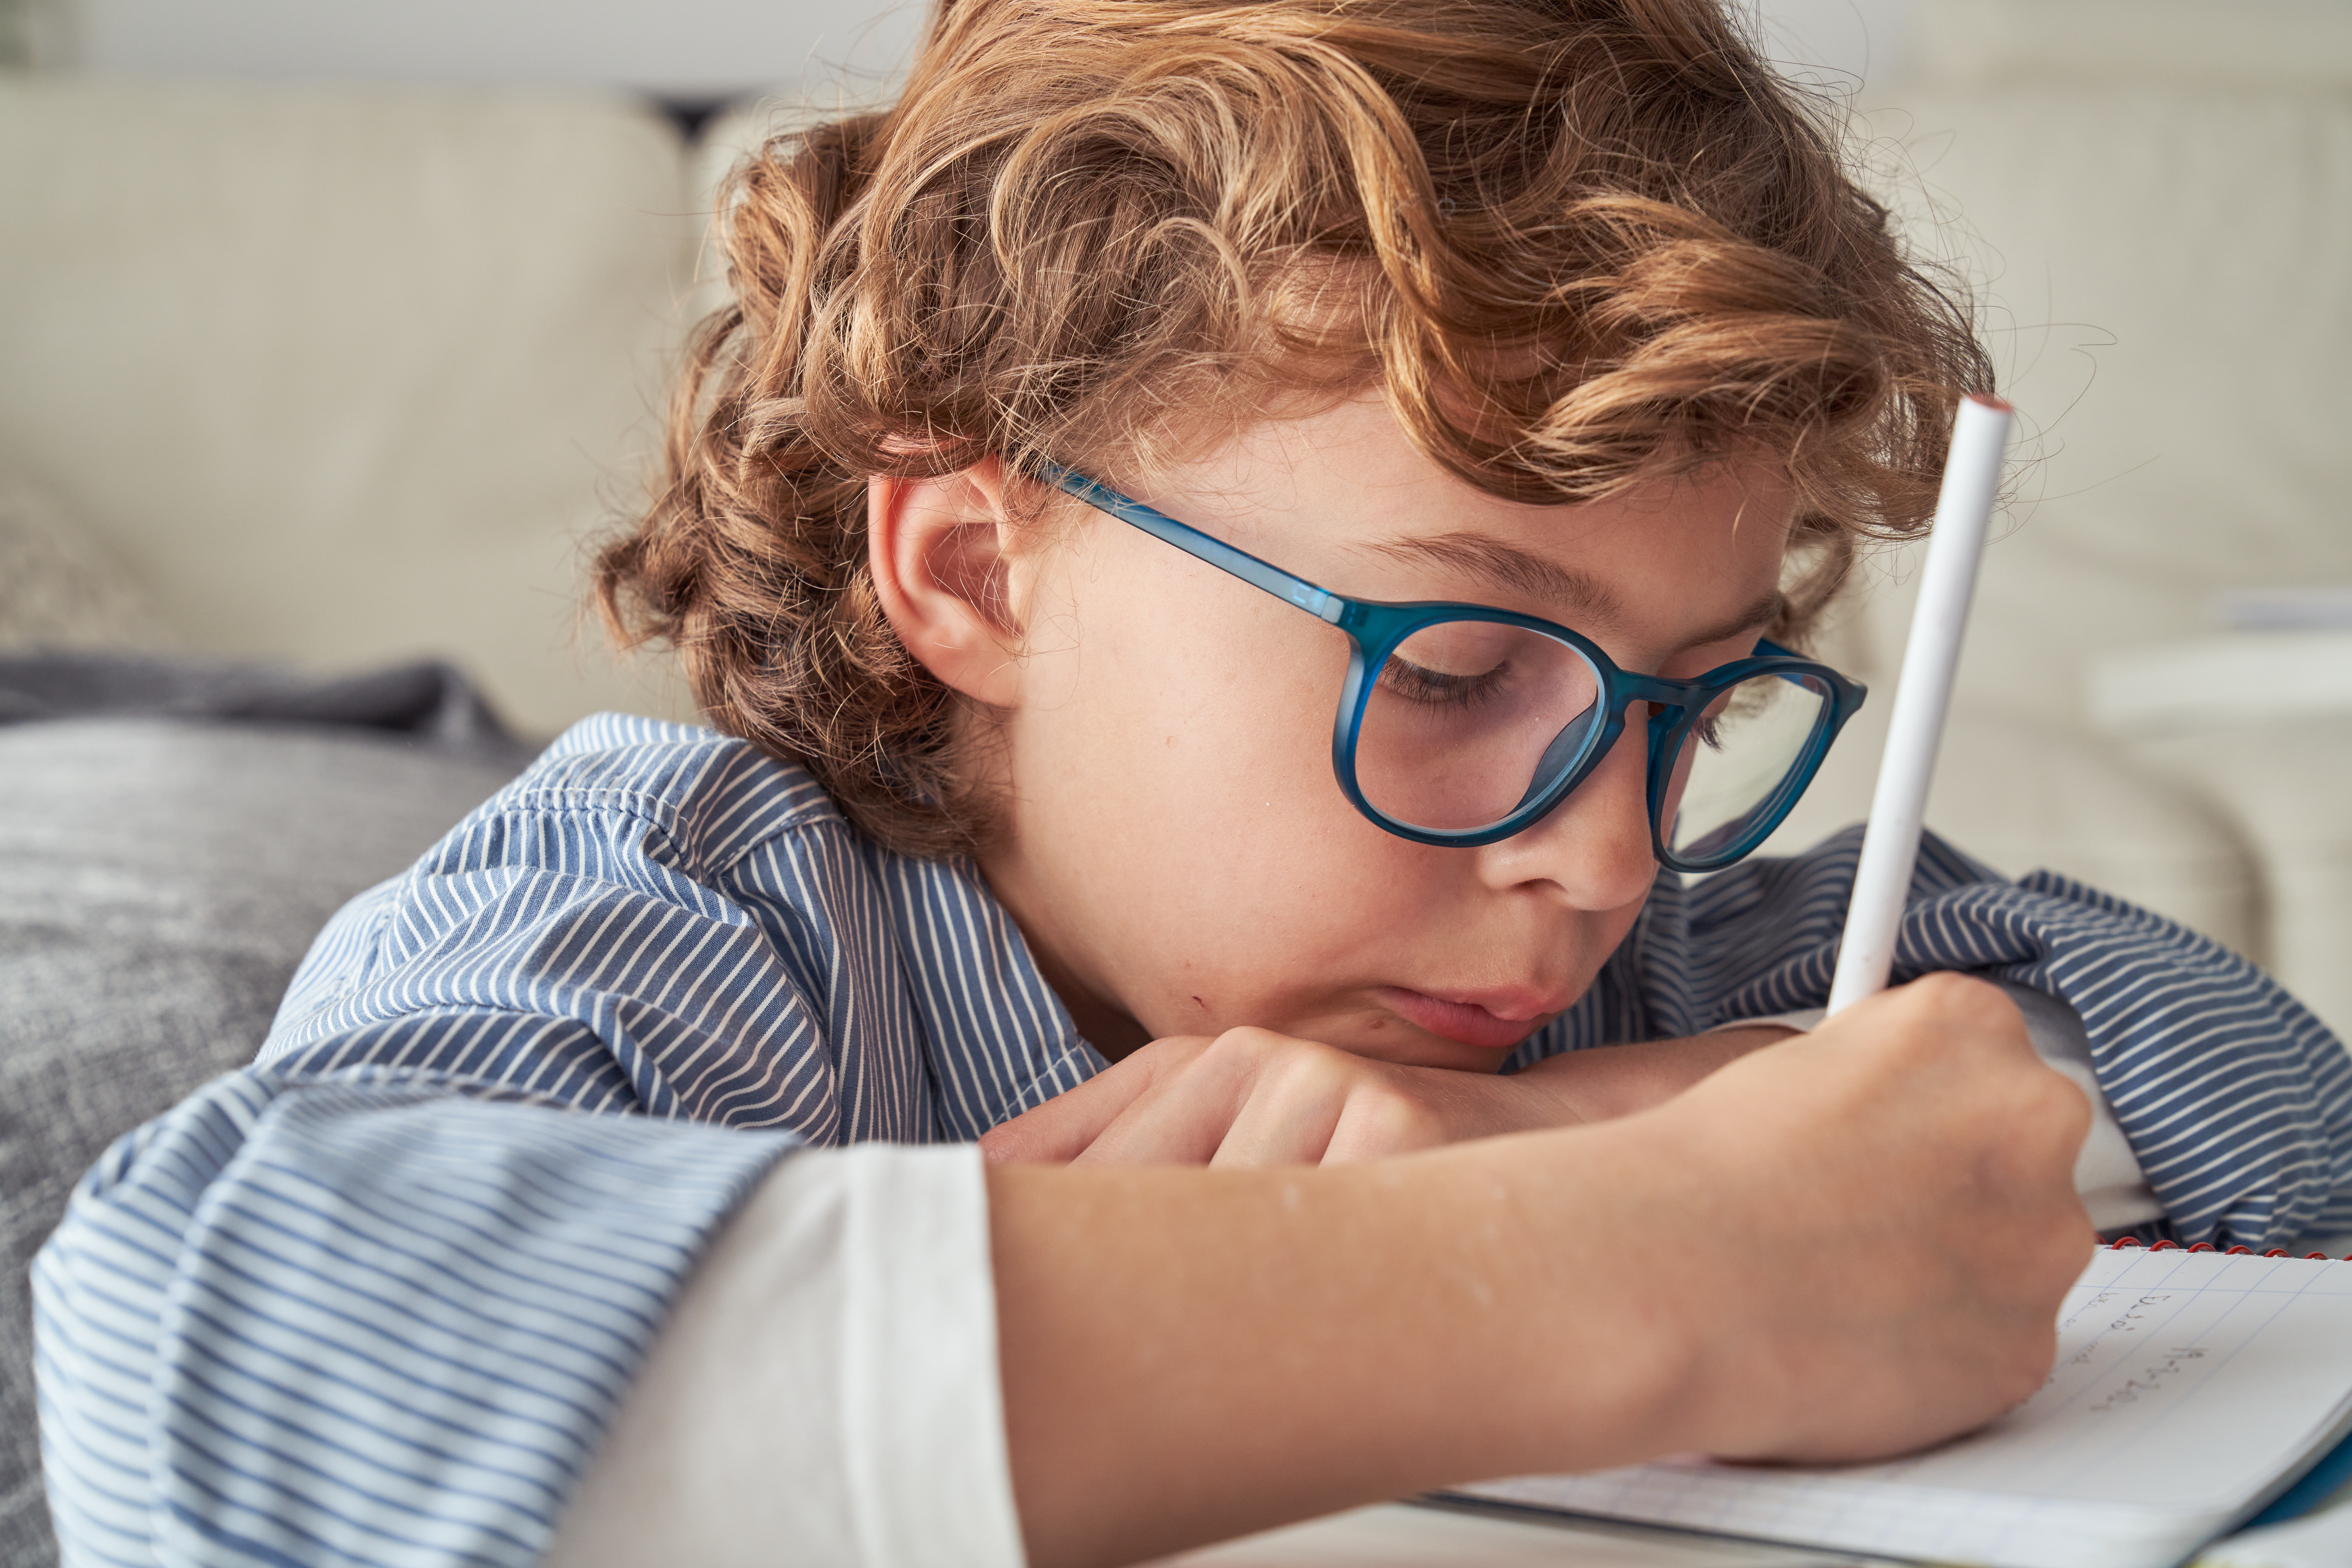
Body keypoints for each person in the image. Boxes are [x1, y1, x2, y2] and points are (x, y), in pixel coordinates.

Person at [33, 0, 2352, 1565]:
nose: (1604, 844)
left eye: (1693, 707)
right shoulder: (698, 906)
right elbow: (225, 1343)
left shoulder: (1602, 976)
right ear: (971, 564)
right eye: (1452, 664)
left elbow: (2269, 1100)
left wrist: (1603, 1130)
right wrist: (1623, 1263)